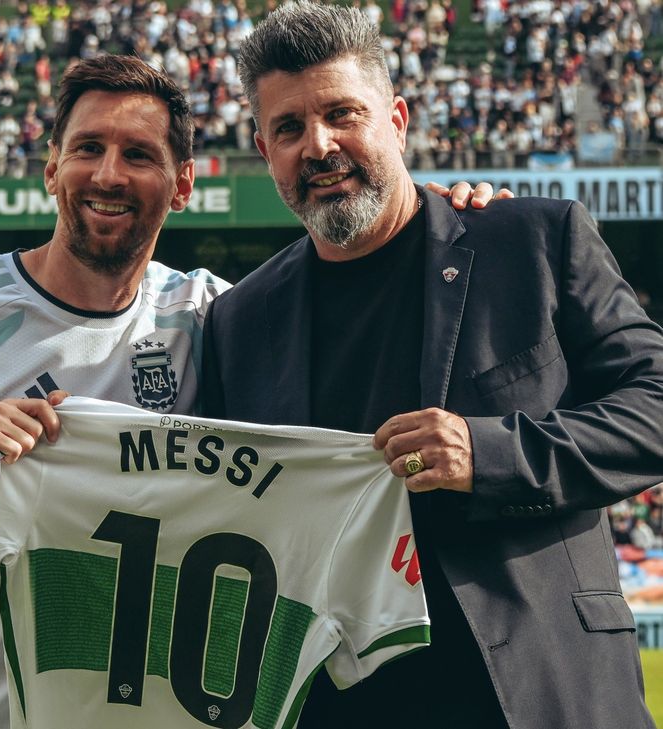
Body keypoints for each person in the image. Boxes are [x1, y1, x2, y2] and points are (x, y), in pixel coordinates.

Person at [0, 54, 499, 729]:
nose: (108, 174)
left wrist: (435, 225)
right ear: (52, 167)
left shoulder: (219, 317)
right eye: (88, 148)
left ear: (182, 184)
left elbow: (364, 298)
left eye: (139, 154)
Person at [200, 4, 663, 729]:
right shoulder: (239, 320)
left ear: (397, 119)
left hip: (540, 692)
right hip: (338, 705)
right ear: (264, 150)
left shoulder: (532, 240)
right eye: (288, 128)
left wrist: (489, 451)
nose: (318, 145)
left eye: (342, 113)